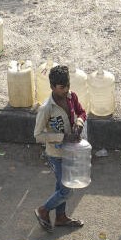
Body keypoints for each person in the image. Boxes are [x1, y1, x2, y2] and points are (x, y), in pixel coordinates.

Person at [33, 65, 86, 231]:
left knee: (61, 186)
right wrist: (62, 137)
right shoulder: (46, 108)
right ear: (52, 87)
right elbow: (38, 135)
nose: (66, 90)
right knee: (67, 190)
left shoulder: (72, 97)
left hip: (71, 151)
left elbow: (82, 113)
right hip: (56, 154)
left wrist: (78, 124)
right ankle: (43, 210)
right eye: (62, 87)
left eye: (68, 85)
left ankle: (61, 217)